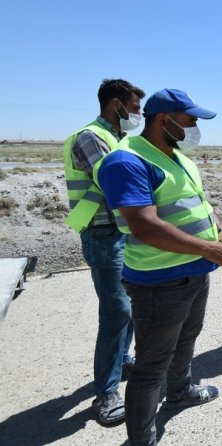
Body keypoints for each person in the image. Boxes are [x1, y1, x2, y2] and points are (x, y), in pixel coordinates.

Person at [97, 89, 222, 446]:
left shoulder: (178, 157)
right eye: (190, 120)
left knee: (187, 340)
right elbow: (142, 224)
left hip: (195, 272)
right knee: (150, 368)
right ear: (164, 120)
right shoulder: (126, 160)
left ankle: (181, 392)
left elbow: (199, 203)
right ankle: (142, 439)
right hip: (159, 283)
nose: (195, 128)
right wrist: (206, 247)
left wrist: (219, 231)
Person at [63, 78, 144, 425]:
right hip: (102, 234)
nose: (137, 116)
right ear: (116, 105)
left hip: (121, 231)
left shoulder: (121, 140)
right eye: (135, 109)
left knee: (129, 303)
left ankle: (122, 359)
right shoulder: (90, 137)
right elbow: (118, 182)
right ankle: (106, 393)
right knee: (115, 310)